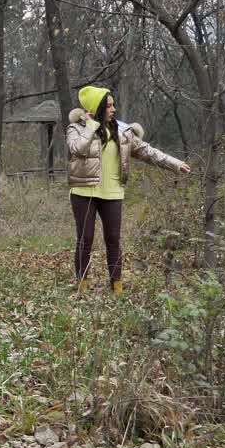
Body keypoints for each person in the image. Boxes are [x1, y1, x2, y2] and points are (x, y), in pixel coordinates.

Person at [67, 86, 192, 295]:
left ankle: (117, 287)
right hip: (84, 191)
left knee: (113, 240)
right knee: (85, 240)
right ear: (96, 108)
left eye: (113, 105)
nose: (113, 109)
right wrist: (89, 126)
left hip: (113, 193)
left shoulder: (122, 131)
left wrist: (176, 164)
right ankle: (82, 286)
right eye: (108, 106)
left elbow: (146, 151)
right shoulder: (76, 129)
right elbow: (77, 149)